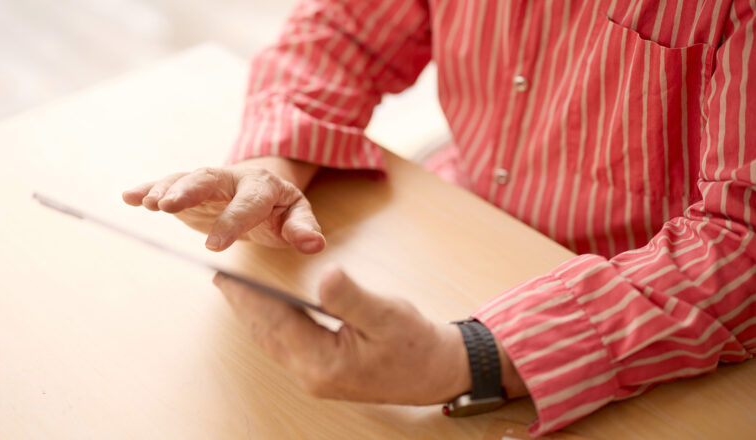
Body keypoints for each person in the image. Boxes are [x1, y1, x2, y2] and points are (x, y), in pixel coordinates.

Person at [122, 0, 756, 434]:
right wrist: (270, 166)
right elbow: (344, 31)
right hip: (454, 235)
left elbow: (741, 241)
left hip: (649, 325)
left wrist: (471, 358)